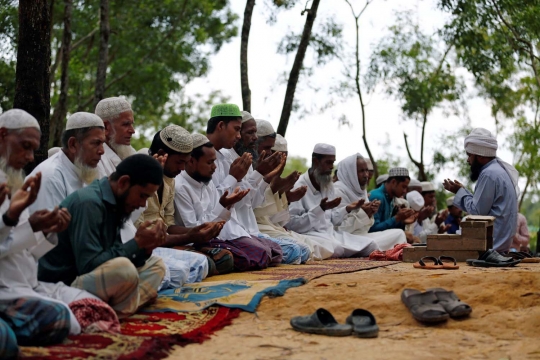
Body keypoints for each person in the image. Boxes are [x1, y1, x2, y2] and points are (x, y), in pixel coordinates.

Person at [0, 110, 99, 351]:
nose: (29, 157)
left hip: (28, 283)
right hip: (7, 289)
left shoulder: (12, 181)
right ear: (2, 136)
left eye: (33, 149)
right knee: (59, 318)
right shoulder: (49, 175)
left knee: (94, 309)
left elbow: (25, 251)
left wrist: (46, 231)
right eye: (24, 146)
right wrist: (15, 220)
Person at [38, 155, 167, 318]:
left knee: (156, 265)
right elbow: (89, 265)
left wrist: (146, 247)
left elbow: (112, 253)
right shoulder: (89, 203)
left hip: (92, 279)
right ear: (123, 183)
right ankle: (115, 308)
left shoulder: (115, 202)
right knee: (124, 270)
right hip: (65, 284)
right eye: (142, 196)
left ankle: (110, 309)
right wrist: (137, 243)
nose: (142, 204)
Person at [136, 125, 227, 286]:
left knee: (214, 261)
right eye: (179, 162)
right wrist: (188, 237)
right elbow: (138, 235)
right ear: (163, 155)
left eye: (185, 163)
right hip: (141, 247)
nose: (182, 168)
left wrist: (196, 232)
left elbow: (168, 224)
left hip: (163, 242)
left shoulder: (170, 178)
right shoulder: (138, 172)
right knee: (191, 268)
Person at [176, 133, 276, 271]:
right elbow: (196, 231)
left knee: (270, 251)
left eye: (214, 162)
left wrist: (227, 206)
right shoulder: (181, 187)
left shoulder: (206, 182)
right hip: (199, 241)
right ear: (191, 161)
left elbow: (218, 213)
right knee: (256, 255)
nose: (214, 167)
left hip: (222, 235)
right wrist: (225, 206)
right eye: (210, 163)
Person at [203, 105, 284, 268]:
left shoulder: (229, 158)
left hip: (240, 229)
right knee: (264, 254)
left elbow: (250, 203)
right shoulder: (205, 157)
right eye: (238, 130)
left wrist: (261, 175)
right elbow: (213, 202)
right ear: (220, 126)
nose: (239, 136)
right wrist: (236, 177)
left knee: (276, 251)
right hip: (221, 230)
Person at [287, 144, 379, 257]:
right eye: (328, 162)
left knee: (371, 245)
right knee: (337, 248)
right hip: (309, 234)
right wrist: (320, 209)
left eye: (333, 162)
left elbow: (331, 219)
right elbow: (293, 225)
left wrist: (347, 208)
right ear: (316, 162)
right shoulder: (299, 186)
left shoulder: (327, 184)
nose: (331, 167)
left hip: (330, 234)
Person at [256, 135, 332, 260]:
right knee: (299, 249)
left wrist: (286, 198)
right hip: (256, 229)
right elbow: (255, 213)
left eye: (284, 158)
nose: (281, 162)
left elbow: (279, 221)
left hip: (273, 228)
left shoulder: (328, 187)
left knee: (316, 246)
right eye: (277, 156)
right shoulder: (256, 174)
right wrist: (278, 192)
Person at [443, 128, 518, 252]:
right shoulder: (498, 170)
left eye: (469, 155)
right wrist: (463, 191)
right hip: (499, 246)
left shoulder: (488, 174)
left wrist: (459, 192)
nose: (468, 160)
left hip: (491, 248)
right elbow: (481, 207)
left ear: (481, 156)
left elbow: (477, 212)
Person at [28, 112, 106, 213]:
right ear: (73, 144)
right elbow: (51, 226)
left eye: (102, 143)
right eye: (96, 143)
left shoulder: (89, 169)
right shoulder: (51, 176)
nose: (102, 151)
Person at [334, 153, 407, 250]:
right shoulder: (338, 191)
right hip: (342, 239)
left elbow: (366, 229)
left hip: (360, 237)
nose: (366, 175)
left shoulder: (361, 192)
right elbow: (340, 229)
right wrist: (363, 213)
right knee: (372, 244)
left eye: (366, 171)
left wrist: (369, 213)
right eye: (361, 171)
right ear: (350, 172)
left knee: (399, 234)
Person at [94, 97, 141, 243]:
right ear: (106, 127)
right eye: (126, 124)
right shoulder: (95, 160)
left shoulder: (129, 153)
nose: (132, 131)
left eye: (132, 124)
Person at [369, 167, 415, 233]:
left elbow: (387, 228)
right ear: (393, 182)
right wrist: (397, 218)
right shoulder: (377, 197)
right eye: (403, 187)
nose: (405, 191)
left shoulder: (391, 198)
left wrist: (402, 221)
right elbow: (372, 229)